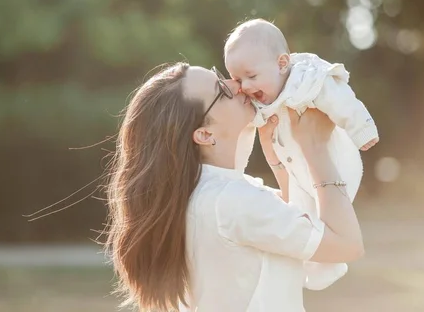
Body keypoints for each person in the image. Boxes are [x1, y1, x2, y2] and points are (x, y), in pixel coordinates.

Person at [105, 62, 364, 312]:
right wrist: (315, 148)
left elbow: (295, 221)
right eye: (222, 89)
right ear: (205, 135)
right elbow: (345, 244)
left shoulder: (208, 194)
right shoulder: (231, 201)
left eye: (221, 76)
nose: (237, 83)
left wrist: (276, 158)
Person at [225, 18, 377, 289]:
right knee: (303, 216)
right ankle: (318, 270)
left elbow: (339, 97)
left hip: (334, 161)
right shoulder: (262, 98)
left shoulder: (307, 79)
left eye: (251, 76)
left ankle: (324, 263)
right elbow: (248, 133)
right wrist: (242, 165)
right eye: (238, 80)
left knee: (321, 216)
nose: (245, 87)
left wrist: (361, 129)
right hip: (298, 171)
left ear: (282, 64)